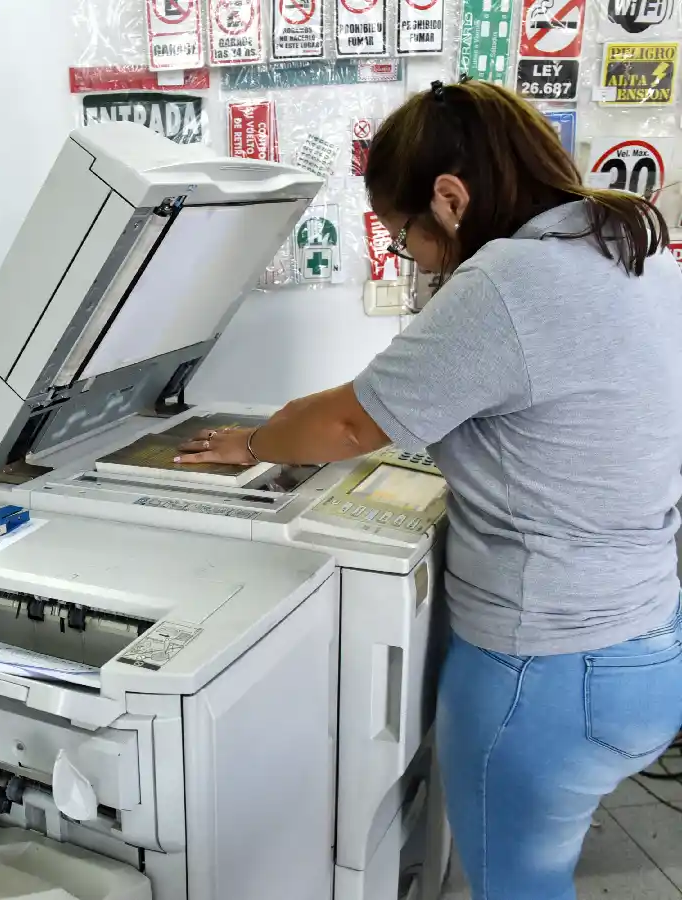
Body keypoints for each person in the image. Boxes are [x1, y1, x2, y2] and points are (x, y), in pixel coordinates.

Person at [176, 78, 682, 900]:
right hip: (649, 644)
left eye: (405, 238)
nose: (413, 260)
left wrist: (251, 443)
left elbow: (347, 426)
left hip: (543, 672)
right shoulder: (633, 252)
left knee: (518, 886)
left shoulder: (507, 281)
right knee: (541, 863)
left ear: (450, 198)